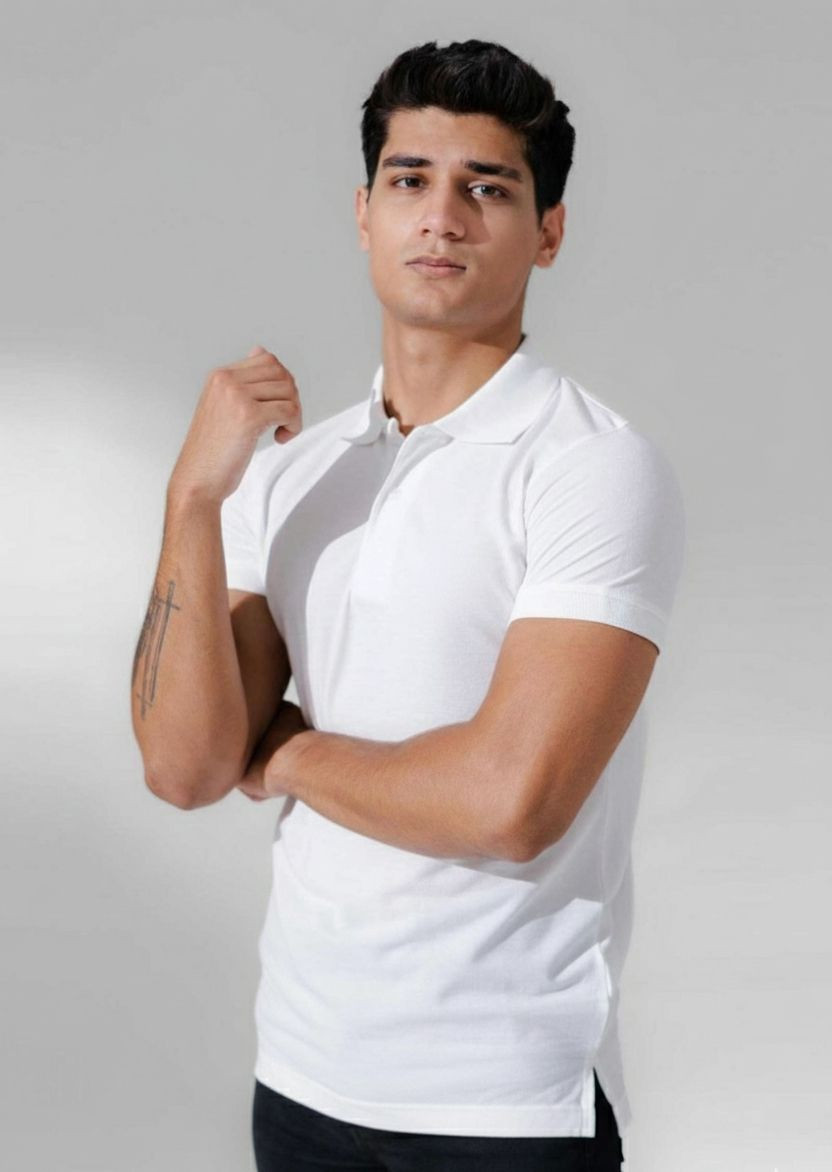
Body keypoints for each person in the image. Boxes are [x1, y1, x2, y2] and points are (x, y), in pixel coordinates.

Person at [131, 37, 686, 1172]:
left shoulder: (590, 466)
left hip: (501, 1103)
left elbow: (510, 801)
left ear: (548, 232)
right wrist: (193, 498)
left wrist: (286, 755)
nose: (441, 217)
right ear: (364, 212)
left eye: (488, 188)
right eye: (410, 179)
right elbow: (186, 767)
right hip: (302, 1075)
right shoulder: (291, 470)